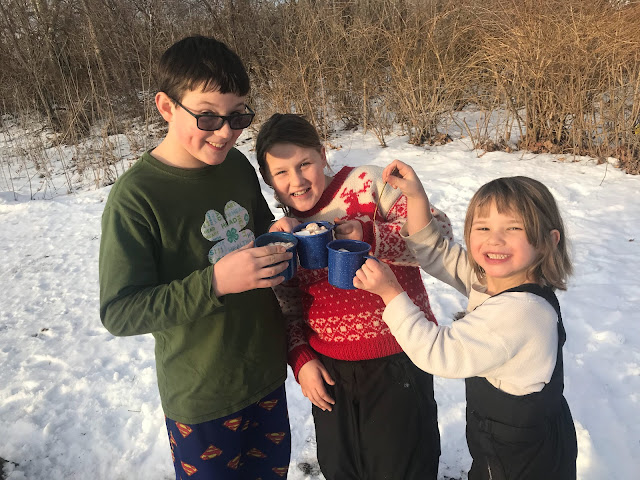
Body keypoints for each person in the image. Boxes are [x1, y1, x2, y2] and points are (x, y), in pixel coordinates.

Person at [99, 36, 293, 480]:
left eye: (238, 116)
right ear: (166, 107)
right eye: (207, 116)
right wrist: (215, 282)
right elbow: (120, 311)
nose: (225, 132)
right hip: (202, 395)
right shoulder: (136, 198)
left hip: (264, 372)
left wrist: (278, 234)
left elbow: (260, 229)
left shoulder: (236, 165)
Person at [255, 113, 453, 480]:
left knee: (402, 468)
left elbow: (439, 236)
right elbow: (288, 307)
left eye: (305, 164)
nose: (297, 180)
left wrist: (369, 233)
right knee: (341, 469)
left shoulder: (367, 184)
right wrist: (301, 360)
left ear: (322, 155)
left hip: (397, 358)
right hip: (329, 371)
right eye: (281, 172)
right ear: (269, 180)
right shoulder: (284, 232)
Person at [354, 160, 578, 480]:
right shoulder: (498, 280)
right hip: (513, 446)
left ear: (547, 242)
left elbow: (439, 352)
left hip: (522, 464)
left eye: (513, 228)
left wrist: (390, 292)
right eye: (483, 228)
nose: (494, 240)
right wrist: (416, 197)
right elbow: (436, 251)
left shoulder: (521, 313)